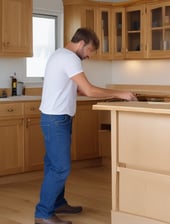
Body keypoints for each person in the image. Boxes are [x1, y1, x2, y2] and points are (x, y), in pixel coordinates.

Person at [34, 27, 137, 224]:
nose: (89, 56)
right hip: (56, 119)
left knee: (53, 165)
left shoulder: (59, 54)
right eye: (89, 50)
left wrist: (78, 92)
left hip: (54, 117)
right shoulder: (70, 58)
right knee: (60, 168)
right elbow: (89, 90)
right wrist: (120, 93)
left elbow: (75, 89)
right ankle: (43, 214)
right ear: (81, 44)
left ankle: (57, 203)